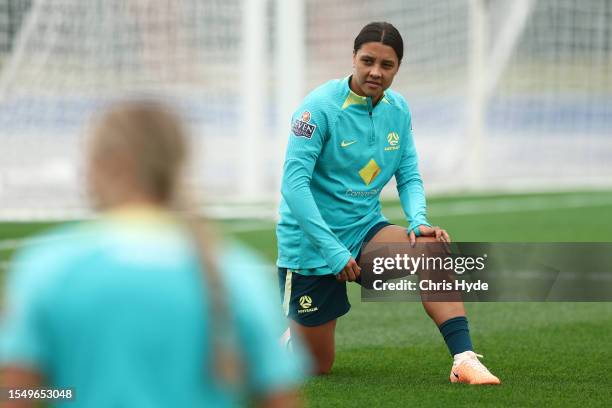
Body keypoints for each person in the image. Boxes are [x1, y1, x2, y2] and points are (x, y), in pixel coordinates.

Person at [0, 101, 307, 407]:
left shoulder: (51, 266)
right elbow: (278, 397)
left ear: (106, 163)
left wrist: (69, 390)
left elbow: (16, 394)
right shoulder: (235, 273)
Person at [276, 22, 500, 385]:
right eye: (367, 61)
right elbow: (293, 186)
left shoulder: (398, 109)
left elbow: (409, 175)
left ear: (398, 67)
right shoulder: (317, 108)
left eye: (387, 65)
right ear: (353, 58)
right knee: (317, 366)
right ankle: (281, 343)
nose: (375, 72)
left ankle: (464, 359)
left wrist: (418, 220)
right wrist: (332, 250)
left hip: (365, 232)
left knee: (430, 248)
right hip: (311, 247)